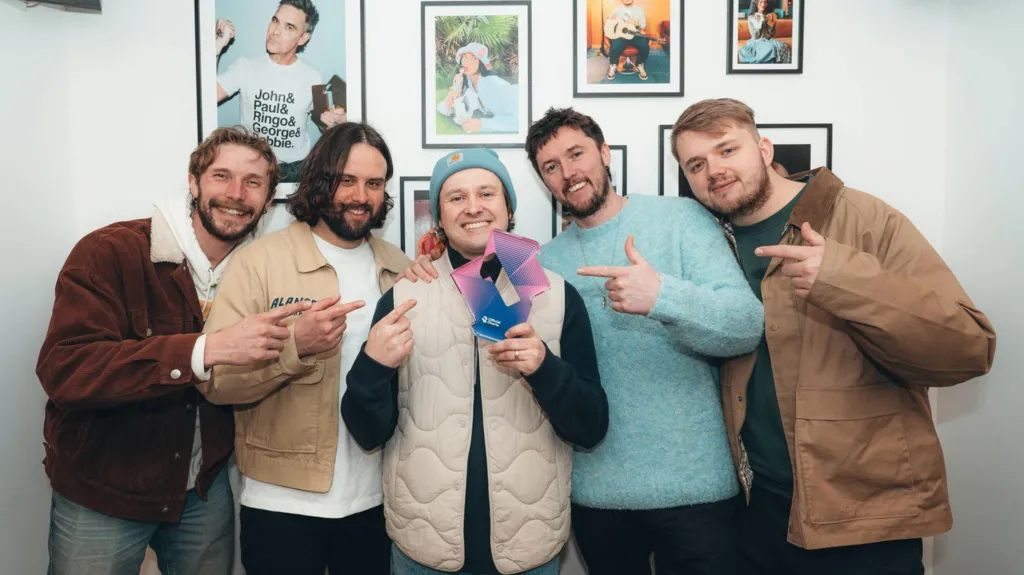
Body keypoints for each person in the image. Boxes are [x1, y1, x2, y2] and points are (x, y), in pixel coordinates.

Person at [404, 108, 765, 575]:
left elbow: (745, 326)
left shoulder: (680, 217)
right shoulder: (538, 262)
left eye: (576, 154)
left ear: (604, 153)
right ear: (544, 184)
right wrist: (425, 263)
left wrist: (663, 297)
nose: (568, 172)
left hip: (697, 493)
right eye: (551, 167)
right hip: (595, 498)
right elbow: (476, 306)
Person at [670, 98, 997, 575]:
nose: (713, 171)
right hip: (758, 510)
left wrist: (845, 279)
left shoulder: (862, 218)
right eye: (696, 164)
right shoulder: (706, 244)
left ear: (763, 148)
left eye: (726, 150)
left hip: (866, 513)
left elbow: (968, 347)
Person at [37, 126, 308, 574]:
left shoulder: (263, 271)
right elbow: (66, 369)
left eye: (253, 182)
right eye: (222, 176)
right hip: (103, 489)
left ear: (269, 198)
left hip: (202, 489)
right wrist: (206, 350)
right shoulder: (111, 252)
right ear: (193, 180)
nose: (236, 194)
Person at [343, 148, 608, 575]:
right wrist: (373, 367)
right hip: (423, 547)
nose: (473, 207)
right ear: (439, 218)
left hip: (530, 548)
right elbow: (367, 431)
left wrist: (544, 367)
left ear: (508, 208)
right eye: (455, 197)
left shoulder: (557, 297)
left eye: (487, 193)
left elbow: (592, 427)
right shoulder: (405, 297)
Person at [195, 122, 408, 575]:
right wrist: (296, 346)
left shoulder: (400, 269)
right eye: (345, 180)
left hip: (376, 501)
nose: (360, 195)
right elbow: (215, 383)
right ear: (319, 180)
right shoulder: (260, 261)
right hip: (281, 506)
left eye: (374, 184)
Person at [216, 0, 348, 182]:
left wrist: (335, 122)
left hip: (296, 171)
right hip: (252, 166)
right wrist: (217, 48)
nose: (275, 31)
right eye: (275, 20)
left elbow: (322, 122)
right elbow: (205, 97)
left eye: (289, 27)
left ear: (302, 38)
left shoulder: (313, 76)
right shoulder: (245, 67)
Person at [437, 43, 519, 134]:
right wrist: (451, 99)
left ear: (481, 63)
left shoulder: (494, 84)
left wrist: (482, 124)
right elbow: (443, 108)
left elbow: (519, 120)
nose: (466, 62)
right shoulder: (466, 82)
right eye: (464, 57)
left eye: (474, 58)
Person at [605, 0, 651, 81]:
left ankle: (639, 64)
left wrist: (637, 24)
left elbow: (643, 25)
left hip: (634, 34)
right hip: (621, 35)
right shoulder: (617, 10)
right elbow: (609, 20)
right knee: (615, 47)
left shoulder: (639, 10)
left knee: (644, 45)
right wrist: (610, 17)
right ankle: (613, 65)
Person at [739, 0, 792, 64]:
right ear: (756, 4)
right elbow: (755, 36)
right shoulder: (751, 17)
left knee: (777, 47)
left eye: (765, 2)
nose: (763, 4)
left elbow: (771, 35)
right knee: (743, 50)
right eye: (761, 2)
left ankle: (759, 60)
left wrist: (771, 26)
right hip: (756, 42)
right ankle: (764, 60)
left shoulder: (770, 16)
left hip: (767, 42)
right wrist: (759, 21)